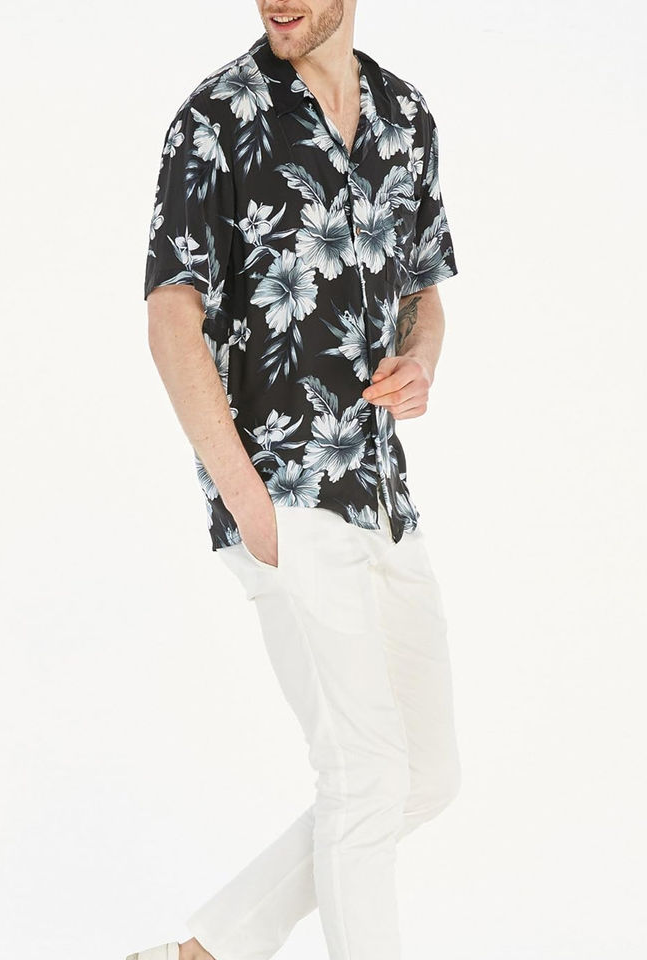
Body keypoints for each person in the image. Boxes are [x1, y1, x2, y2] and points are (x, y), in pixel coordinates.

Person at [132, 3, 460, 959]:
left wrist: (422, 360)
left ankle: (206, 953)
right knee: (363, 772)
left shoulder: (405, 115)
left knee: (423, 775)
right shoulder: (217, 117)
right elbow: (170, 318)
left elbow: (422, 292)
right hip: (279, 488)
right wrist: (248, 504)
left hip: (382, 494)